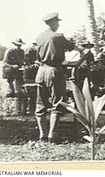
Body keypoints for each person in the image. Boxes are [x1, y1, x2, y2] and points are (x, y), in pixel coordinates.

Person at [35, 12, 75, 143]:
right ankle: (52, 135)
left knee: (40, 104)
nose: (58, 24)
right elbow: (71, 47)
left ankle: (42, 135)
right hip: (54, 71)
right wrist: (82, 51)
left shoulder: (39, 37)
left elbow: (38, 57)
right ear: (52, 23)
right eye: (57, 22)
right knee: (57, 103)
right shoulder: (58, 36)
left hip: (41, 71)